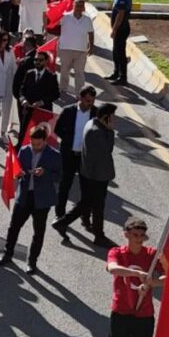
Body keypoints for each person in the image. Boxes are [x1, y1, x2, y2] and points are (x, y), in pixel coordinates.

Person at [94, 217, 165, 337]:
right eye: (135, 235)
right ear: (126, 234)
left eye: (142, 236)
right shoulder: (117, 252)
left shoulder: (152, 255)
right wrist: (136, 274)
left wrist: (152, 283)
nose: (139, 239)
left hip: (144, 315)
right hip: (121, 313)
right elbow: (113, 268)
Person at [0, 125, 61, 274]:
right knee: (14, 227)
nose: (35, 147)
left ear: (45, 141)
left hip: (42, 199)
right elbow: (17, 168)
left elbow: (60, 176)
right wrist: (19, 174)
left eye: (38, 144)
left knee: (38, 231)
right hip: (24, 195)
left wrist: (45, 173)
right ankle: (7, 254)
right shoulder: (24, 151)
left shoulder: (54, 155)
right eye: (32, 143)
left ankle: (32, 261)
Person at [52, 103, 117, 247]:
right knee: (97, 205)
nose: (115, 120)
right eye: (112, 117)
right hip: (97, 175)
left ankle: (62, 222)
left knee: (88, 202)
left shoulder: (92, 123)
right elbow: (108, 149)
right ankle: (98, 236)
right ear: (105, 117)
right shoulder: (97, 132)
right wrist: (111, 131)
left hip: (91, 172)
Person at [54, 85, 98, 221]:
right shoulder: (68, 111)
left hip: (85, 158)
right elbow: (57, 129)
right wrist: (69, 140)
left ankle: (85, 217)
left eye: (92, 101)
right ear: (80, 98)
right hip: (69, 154)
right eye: (87, 101)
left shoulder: (96, 114)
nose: (89, 104)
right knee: (64, 185)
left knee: (87, 189)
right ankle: (60, 214)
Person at [15, 51, 60, 135]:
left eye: (40, 60)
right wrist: (23, 100)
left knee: (42, 136)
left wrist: (42, 102)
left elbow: (56, 94)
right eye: (36, 60)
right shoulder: (29, 73)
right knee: (24, 133)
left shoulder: (52, 76)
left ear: (46, 61)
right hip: (29, 110)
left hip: (43, 111)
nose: (37, 62)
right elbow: (22, 90)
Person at [57, 0, 94, 96]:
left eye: (81, 6)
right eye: (77, 5)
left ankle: (80, 93)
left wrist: (91, 46)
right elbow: (54, 22)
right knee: (64, 70)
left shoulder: (87, 20)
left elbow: (91, 33)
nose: (78, 8)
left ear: (83, 8)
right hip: (66, 49)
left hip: (81, 50)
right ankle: (63, 88)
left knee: (79, 73)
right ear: (73, 6)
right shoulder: (64, 17)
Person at [107, 0, 132, 85]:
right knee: (116, 52)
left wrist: (114, 29)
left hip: (121, 29)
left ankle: (123, 77)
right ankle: (116, 73)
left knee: (120, 53)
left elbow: (120, 15)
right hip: (120, 29)